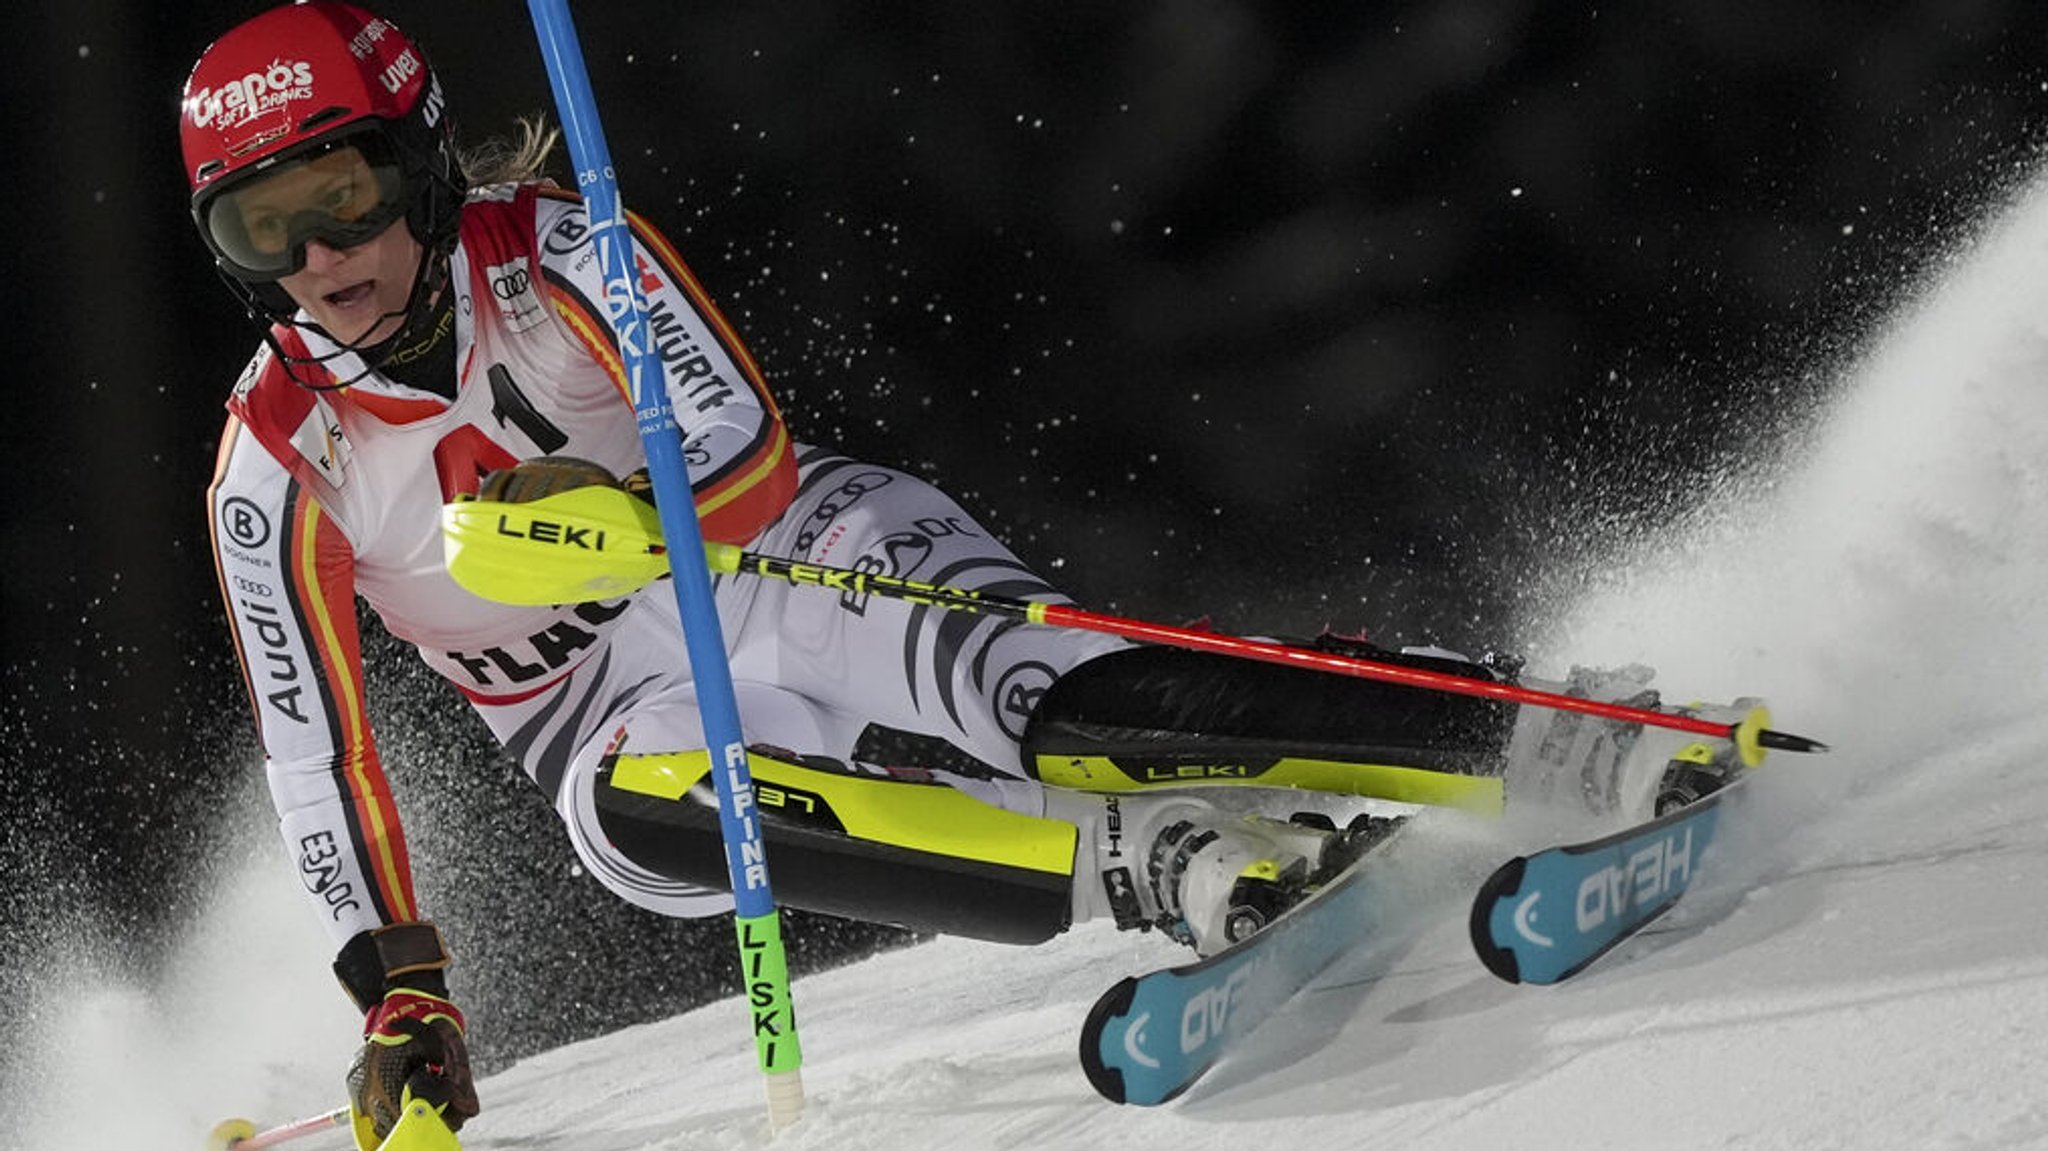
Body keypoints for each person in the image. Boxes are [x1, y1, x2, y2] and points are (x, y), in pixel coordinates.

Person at [181, 3, 1751, 1144]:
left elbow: (749, 460)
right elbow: (316, 747)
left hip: (793, 560)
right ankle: (1156, 867)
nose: (323, 263)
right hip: (603, 698)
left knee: (1070, 713)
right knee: (636, 822)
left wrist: (618, 501)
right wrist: (401, 987)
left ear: (419, 162)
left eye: (345, 198)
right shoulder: (276, 467)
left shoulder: (572, 250)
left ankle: (1533, 732)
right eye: (267, 230)